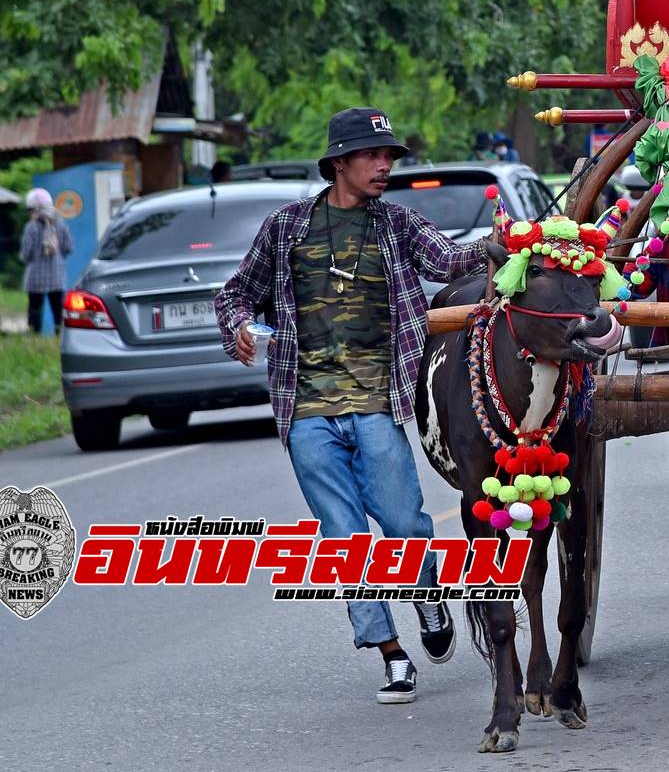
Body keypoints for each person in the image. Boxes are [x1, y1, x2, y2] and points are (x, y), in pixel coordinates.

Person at [216, 107, 503, 704]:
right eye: (373, 156)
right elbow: (236, 293)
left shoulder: (396, 224)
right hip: (306, 412)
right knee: (346, 539)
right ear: (339, 163)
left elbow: (448, 261)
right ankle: (392, 655)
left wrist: (502, 244)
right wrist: (240, 324)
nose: (384, 166)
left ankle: (427, 591)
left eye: (389, 157)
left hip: (376, 403)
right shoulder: (286, 228)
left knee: (404, 524)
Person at [18, 188, 73, 336]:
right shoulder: (60, 224)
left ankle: (34, 335)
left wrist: (25, 257)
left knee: (35, 308)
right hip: (57, 275)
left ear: (33, 208)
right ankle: (59, 336)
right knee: (58, 309)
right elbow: (68, 247)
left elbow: (26, 253)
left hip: (35, 277)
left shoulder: (31, 227)